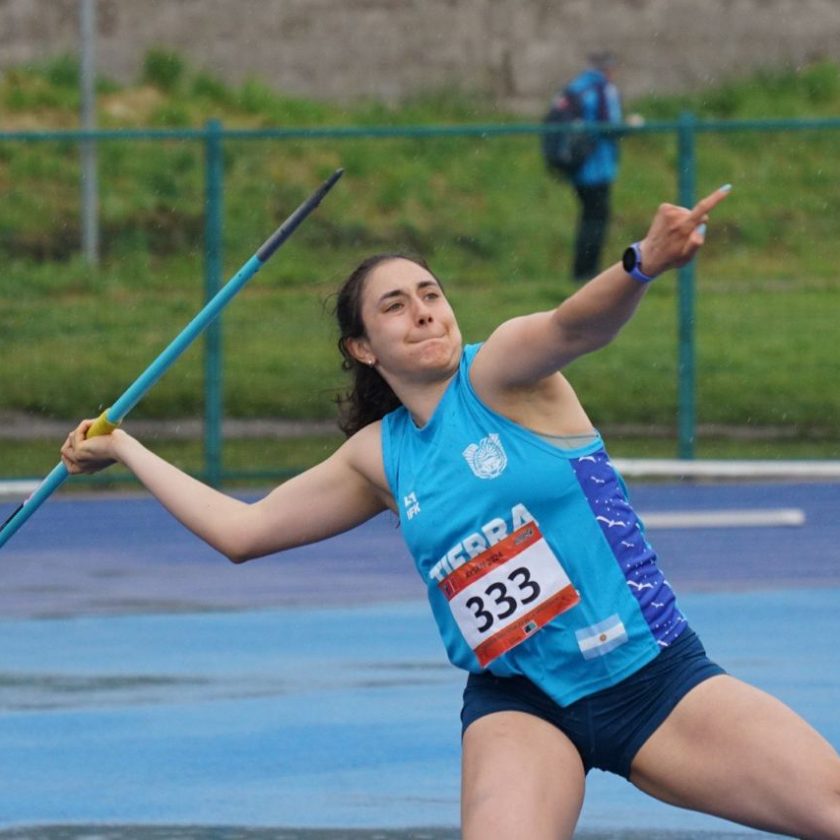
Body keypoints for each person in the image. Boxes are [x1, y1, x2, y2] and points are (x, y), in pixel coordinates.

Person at [61, 186, 840, 840]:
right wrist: (127, 449)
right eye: (395, 307)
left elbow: (576, 325)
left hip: (652, 680)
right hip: (523, 703)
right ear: (363, 347)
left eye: (431, 294)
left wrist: (640, 265)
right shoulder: (379, 456)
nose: (424, 313)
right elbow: (242, 532)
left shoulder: (502, 373)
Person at [549, 51, 627, 283]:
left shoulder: (577, 87)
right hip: (596, 166)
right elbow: (609, 126)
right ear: (608, 68)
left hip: (577, 165)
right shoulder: (604, 89)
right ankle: (587, 272)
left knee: (587, 218)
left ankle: (581, 270)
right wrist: (630, 127)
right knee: (596, 219)